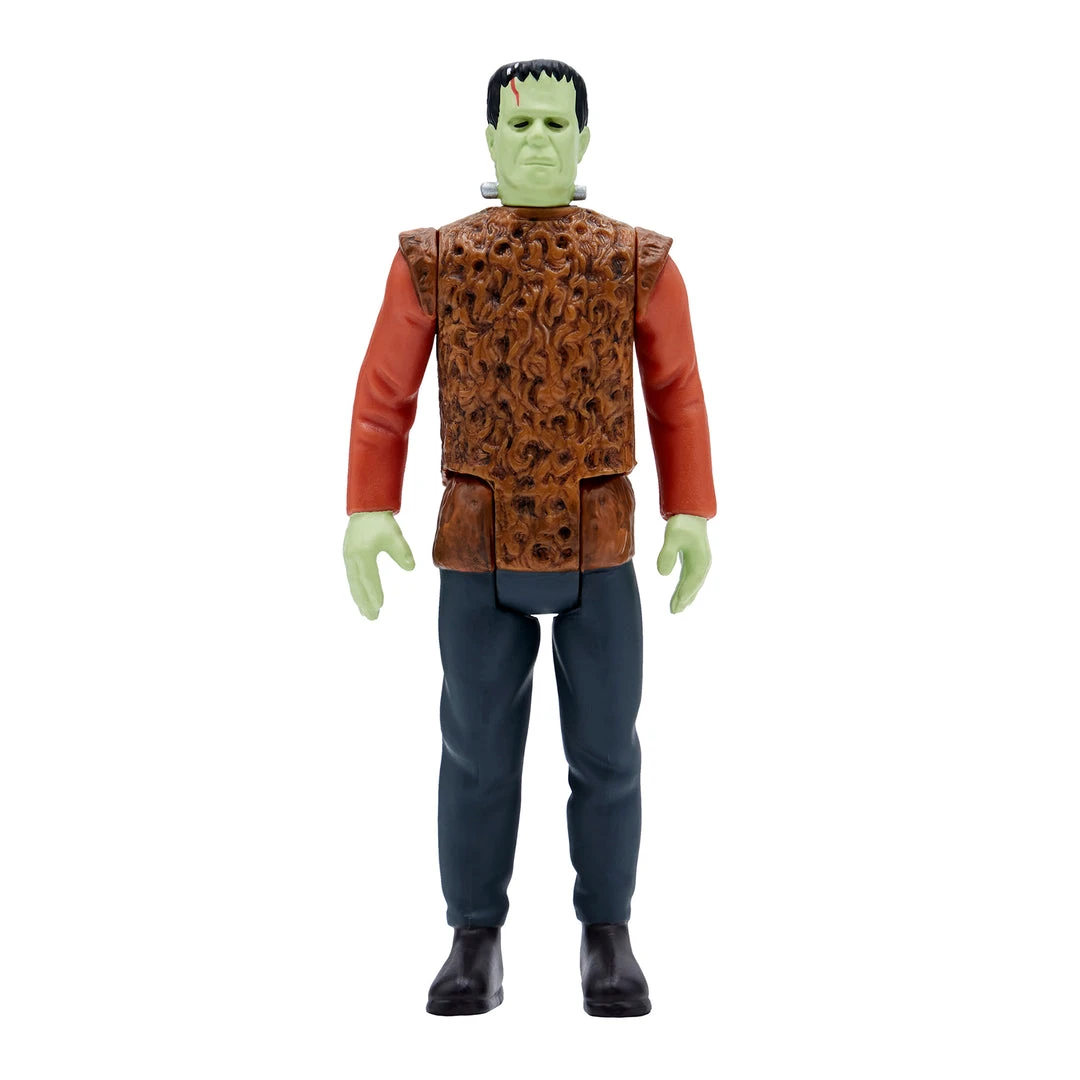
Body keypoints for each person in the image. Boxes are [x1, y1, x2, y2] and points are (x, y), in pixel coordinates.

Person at [343, 59, 715, 1017]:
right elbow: (385, 393)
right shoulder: (435, 258)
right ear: (491, 140)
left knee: (608, 750)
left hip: (599, 540)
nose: (539, 140)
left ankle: (607, 932)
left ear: (584, 139)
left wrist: (689, 510)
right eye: (521, 125)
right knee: (475, 749)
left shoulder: (636, 259)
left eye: (556, 123)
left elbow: (676, 392)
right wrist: (368, 507)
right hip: (478, 539)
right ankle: (474, 935)